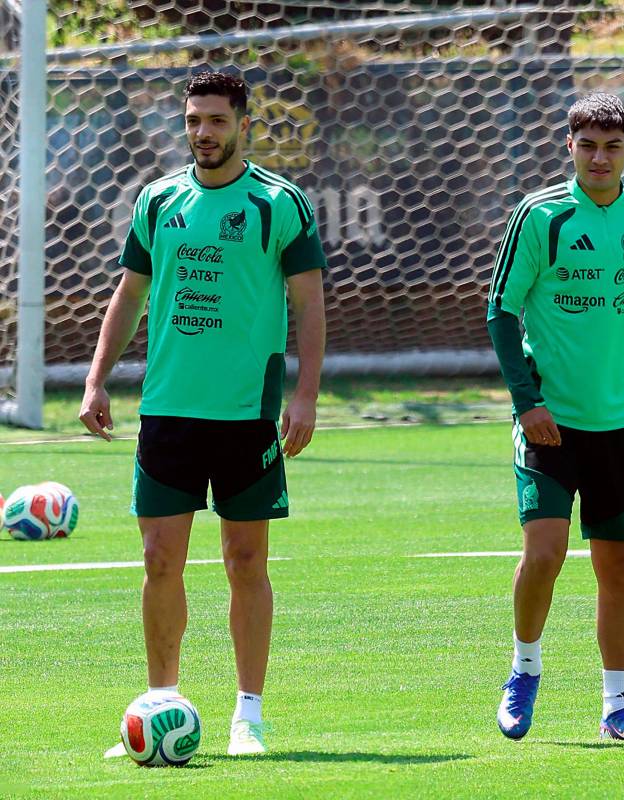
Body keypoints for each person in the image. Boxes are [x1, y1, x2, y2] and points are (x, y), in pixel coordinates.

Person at [79, 71, 326, 756]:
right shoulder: (159, 200)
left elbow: (309, 306)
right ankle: (162, 703)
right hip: (167, 410)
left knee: (244, 560)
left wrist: (304, 394)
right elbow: (129, 296)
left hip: (247, 415)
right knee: (160, 560)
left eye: (216, 120)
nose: (203, 133)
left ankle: (248, 714)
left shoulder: (281, 203)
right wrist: (97, 380)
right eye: (192, 120)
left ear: (243, 125)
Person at [487, 92, 624, 741]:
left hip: (616, 424)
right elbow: (500, 312)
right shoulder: (540, 217)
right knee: (545, 553)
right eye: (588, 145)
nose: (599, 157)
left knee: (619, 566)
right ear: (570, 146)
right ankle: (524, 669)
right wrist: (526, 404)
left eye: (612, 146)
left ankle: (618, 709)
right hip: (549, 424)